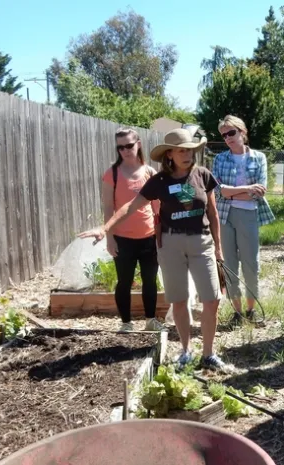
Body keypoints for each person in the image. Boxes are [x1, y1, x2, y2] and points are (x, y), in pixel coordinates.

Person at [79, 128, 230, 373]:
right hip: (170, 245)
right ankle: (185, 351)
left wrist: (219, 249)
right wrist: (105, 228)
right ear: (169, 154)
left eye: (190, 150)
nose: (187, 155)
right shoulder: (159, 181)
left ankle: (208, 354)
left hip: (201, 243)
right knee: (179, 301)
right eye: (181, 150)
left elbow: (212, 214)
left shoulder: (203, 175)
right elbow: (130, 206)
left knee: (212, 300)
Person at [212, 115, 275, 326]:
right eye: (224, 135)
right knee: (228, 264)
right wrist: (246, 189)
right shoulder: (220, 159)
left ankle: (251, 310)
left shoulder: (259, 158)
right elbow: (217, 192)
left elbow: (259, 191)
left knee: (251, 264)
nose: (228, 138)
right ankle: (236, 313)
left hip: (248, 215)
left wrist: (232, 192)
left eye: (232, 132)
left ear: (243, 132)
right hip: (224, 215)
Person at [102, 128, 164, 332]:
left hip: (148, 237)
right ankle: (126, 323)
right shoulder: (112, 174)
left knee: (150, 280)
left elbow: (157, 208)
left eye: (129, 145)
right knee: (124, 282)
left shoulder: (150, 172)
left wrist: (160, 237)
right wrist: (109, 238)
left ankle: (150, 320)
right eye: (120, 147)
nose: (125, 150)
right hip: (122, 239)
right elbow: (108, 208)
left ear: (138, 143)